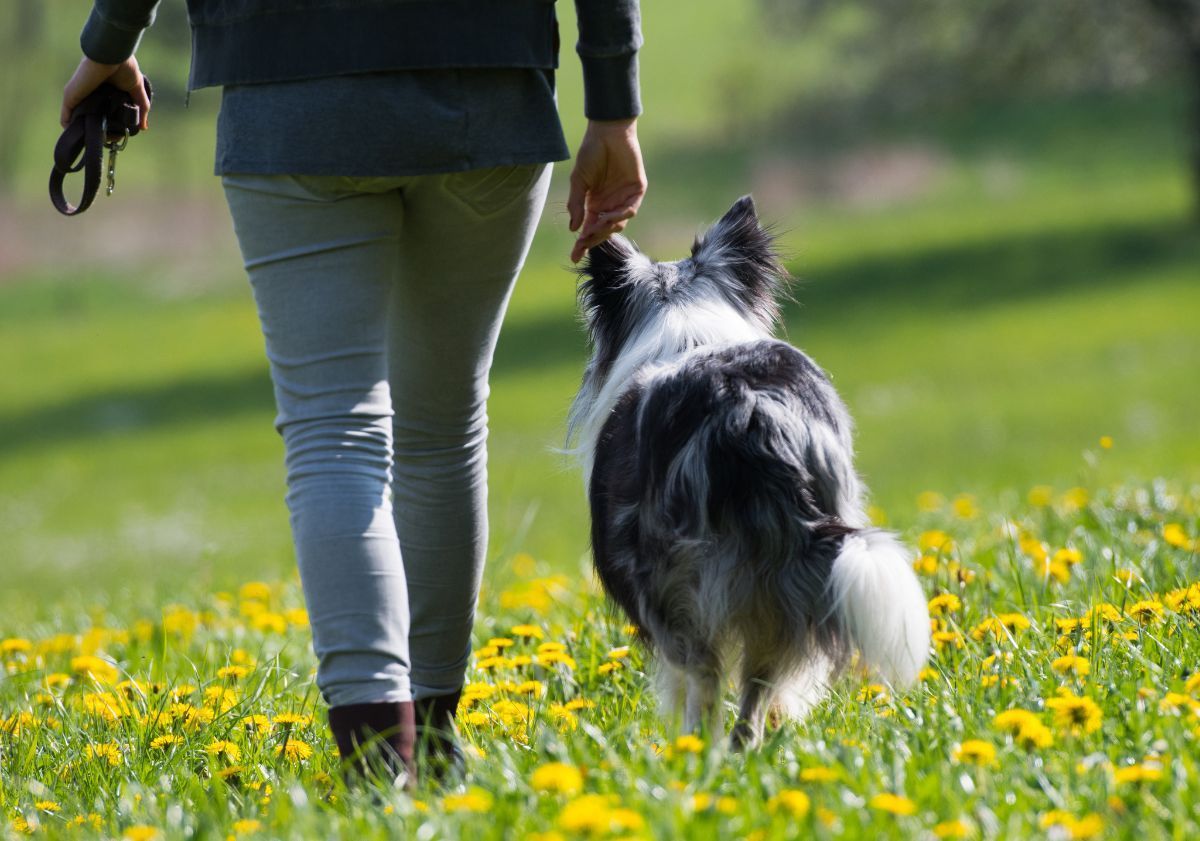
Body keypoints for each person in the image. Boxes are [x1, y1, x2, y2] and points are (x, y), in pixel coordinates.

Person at [61, 0, 646, 786]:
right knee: (444, 425)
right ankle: (434, 748)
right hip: (487, 81)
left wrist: (109, 42)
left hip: (286, 87)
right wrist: (614, 105)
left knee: (334, 433)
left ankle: (380, 772)